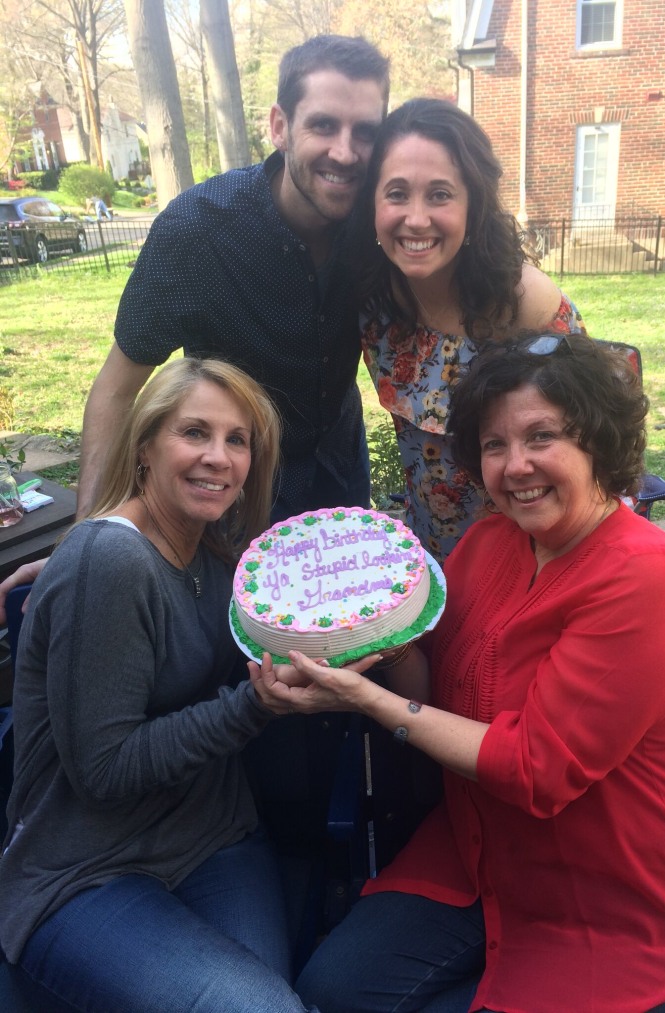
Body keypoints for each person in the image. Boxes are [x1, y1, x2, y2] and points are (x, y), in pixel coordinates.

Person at [252, 333, 665, 1013]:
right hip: (480, 852)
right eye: (495, 444)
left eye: (541, 436)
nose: (515, 465)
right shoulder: (487, 545)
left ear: (597, 440)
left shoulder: (647, 576)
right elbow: (436, 694)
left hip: (613, 890)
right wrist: (386, 651)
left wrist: (367, 702)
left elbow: (536, 768)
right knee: (331, 990)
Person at [0, 33, 389, 627]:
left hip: (338, 460)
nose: (346, 151)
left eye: (365, 131)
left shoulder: (379, 222)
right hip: (233, 479)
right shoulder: (198, 231)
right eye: (324, 125)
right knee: (239, 658)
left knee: (344, 637)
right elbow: (118, 383)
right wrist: (85, 536)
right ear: (280, 126)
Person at [0, 358, 337, 1012]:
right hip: (85, 870)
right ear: (146, 445)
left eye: (236, 439)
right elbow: (103, 768)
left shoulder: (217, 549)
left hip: (213, 839)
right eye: (194, 433)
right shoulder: (111, 561)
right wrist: (253, 705)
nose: (218, 456)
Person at [353, 98, 586, 561]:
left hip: (529, 554)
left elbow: (592, 437)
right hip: (432, 553)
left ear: (473, 203)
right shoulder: (374, 300)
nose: (416, 218)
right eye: (397, 193)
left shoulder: (523, 302)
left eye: (440, 194)